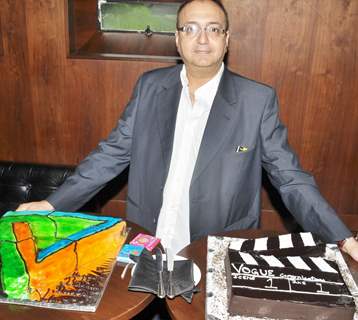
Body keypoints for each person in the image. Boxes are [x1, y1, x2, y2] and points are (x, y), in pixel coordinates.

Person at [17, 0, 358, 260]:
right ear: (177, 40)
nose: (203, 40)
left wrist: (343, 237)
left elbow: (290, 178)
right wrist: (51, 203)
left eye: (213, 29)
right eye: (191, 29)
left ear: (227, 39)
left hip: (216, 247)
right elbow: (111, 154)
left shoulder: (257, 100)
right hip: (147, 240)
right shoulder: (150, 87)